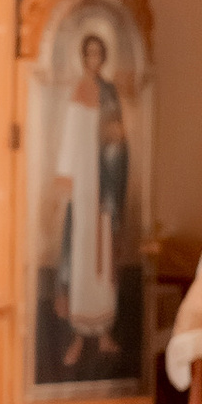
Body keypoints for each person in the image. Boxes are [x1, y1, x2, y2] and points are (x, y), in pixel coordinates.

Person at [51, 22, 131, 372]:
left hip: (106, 186)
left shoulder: (111, 93)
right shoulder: (78, 91)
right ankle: (79, 335)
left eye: (100, 54)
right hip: (83, 187)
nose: (95, 60)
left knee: (105, 253)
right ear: (83, 58)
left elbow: (118, 140)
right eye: (90, 54)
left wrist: (112, 167)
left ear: (104, 58)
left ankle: (103, 332)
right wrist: (67, 180)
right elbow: (70, 138)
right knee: (83, 253)